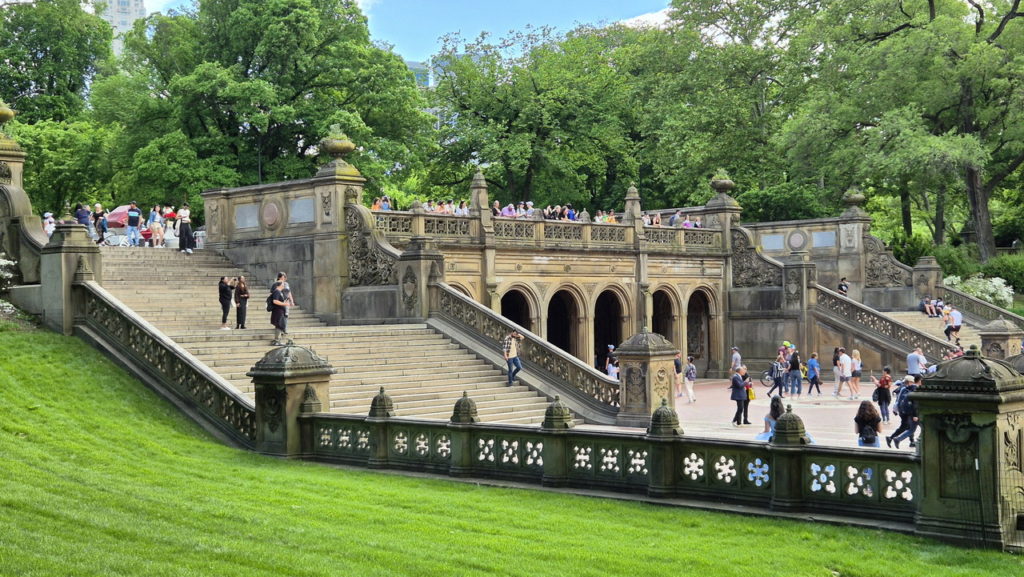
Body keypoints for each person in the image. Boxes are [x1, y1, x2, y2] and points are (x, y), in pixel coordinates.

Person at [888, 375, 920, 448]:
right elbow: (914, 403)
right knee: (910, 428)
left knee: (910, 428)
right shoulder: (913, 389)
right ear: (910, 382)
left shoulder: (904, 388)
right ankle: (895, 438)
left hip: (905, 411)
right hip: (910, 413)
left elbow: (899, 400)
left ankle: (900, 439)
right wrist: (915, 415)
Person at [269, 281, 289, 345]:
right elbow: (275, 301)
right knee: (279, 325)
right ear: (278, 285)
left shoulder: (279, 292)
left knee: (279, 325)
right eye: (282, 285)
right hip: (278, 311)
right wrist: (284, 303)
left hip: (280, 311)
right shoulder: (277, 292)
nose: (283, 286)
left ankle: (278, 340)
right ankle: (277, 340)